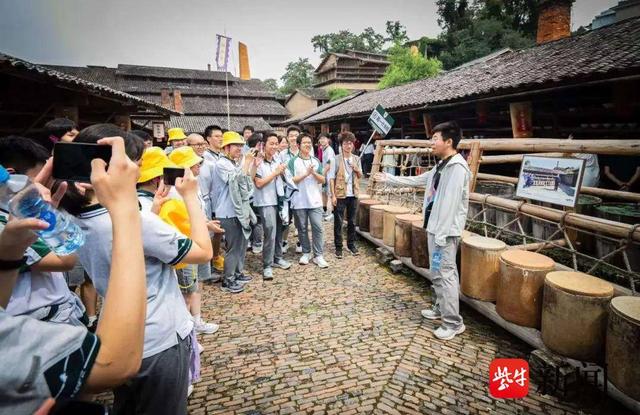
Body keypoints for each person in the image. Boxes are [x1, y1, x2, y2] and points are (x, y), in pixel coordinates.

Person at [69, 124, 213, 414]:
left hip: (116, 337)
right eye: (136, 163)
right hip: (158, 337)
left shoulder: (72, 214)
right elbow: (203, 251)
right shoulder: (135, 219)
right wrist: (189, 196)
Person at [0, 136, 147, 414]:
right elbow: (114, 364)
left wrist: (9, 251)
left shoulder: (10, 225)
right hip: (45, 326)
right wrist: (125, 207)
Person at [375, 121, 470, 341]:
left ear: (448, 141)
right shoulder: (442, 165)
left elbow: (450, 206)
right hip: (434, 230)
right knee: (436, 272)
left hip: (444, 234)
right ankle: (440, 308)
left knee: (446, 274)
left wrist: (441, 237)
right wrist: (389, 178)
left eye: (435, 139)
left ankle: (453, 323)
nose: (431, 143)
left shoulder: (457, 168)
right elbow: (418, 180)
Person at [0, 136, 85, 326]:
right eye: (40, 177)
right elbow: (65, 260)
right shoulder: (9, 225)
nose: (47, 185)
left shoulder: (14, 213)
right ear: (11, 175)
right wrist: (52, 216)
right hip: (41, 322)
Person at [168, 146, 220, 335]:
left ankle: (196, 321)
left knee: (197, 285)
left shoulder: (191, 186)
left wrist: (206, 224)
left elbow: (197, 212)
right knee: (187, 290)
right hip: (187, 245)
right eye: (194, 163)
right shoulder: (175, 192)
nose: (199, 166)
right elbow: (184, 219)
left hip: (199, 240)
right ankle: (185, 330)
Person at [212, 131, 258, 293]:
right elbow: (235, 181)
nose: (239, 148)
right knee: (232, 247)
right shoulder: (221, 164)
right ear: (226, 148)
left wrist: (250, 165)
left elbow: (245, 182)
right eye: (236, 146)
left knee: (241, 245)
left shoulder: (233, 163)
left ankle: (237, 273)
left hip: (238, 211)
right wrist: (247, 163)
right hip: (227, 211)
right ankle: (228, 280)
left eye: (240, 145)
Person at [253, 132, 292, 279]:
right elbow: (259, 183)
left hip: (279, 201)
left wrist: (282, 173)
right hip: (265, 202)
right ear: (264, 145)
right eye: (272, 143)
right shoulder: (258, 161)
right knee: (270, 232)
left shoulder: (277, 159)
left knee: (280, 231)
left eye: (276, 144)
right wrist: (276, 173)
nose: (274, 146)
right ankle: (267, 265)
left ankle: (278, 257)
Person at [287, 133, 329, 268]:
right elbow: (290, 180)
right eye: (305, 142)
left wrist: (313, 173)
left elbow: (323, 180)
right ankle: (306, 252)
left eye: (309, 142)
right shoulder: (293, 162)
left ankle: (318, 255)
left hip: (315, 201)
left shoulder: (315, 161)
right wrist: (305, 174)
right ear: (298, 145)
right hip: (299, 200)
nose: (308, 145)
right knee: (302, 228)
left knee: (318, 227)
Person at [329, 132, 363, 258]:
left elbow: (360, 175)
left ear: (353, 144)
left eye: (350, 143)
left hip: (353, 194)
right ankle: (338, 247)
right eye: (345, 143)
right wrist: (333, 195)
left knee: (352, 221)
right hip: (340, 194)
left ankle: (351, 245)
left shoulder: (356, 159)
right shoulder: (335, 159)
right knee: (338, 222)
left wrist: (356, 169)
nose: (348, 146)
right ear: (341, 145)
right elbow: (331, 178)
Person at [200, 125, 225, 275]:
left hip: (219, 199)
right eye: (216, 136)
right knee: (209, 232)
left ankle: (215, 257)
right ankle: (208, 263)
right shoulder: (205, 158)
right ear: (208, 139)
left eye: (221, 136)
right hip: (207, 199)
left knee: (218, 232)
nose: (220, 139)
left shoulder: (221, 155)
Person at [278, 126, 302, 253]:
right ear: (287, 138)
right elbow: (279, 171)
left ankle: (300, 241)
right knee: (285, 219)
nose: (293, 138)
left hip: (300, 191)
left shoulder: (304, 152)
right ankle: (284, 241)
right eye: (291, 135)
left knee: (301, 217)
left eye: (296, 135)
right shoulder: (282, 154)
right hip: (286, 191)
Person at [318, 133, 335, 221]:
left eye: (324, 138)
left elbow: (329, 163)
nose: (322, 140)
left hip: (330, 175)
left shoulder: (329, 150)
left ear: (328, 140)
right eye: (321, 139)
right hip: (325, 174)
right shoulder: (323, 149)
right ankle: (324, 211)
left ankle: (333, 213)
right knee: (324, 192)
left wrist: (322, 174)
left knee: (331, 194)